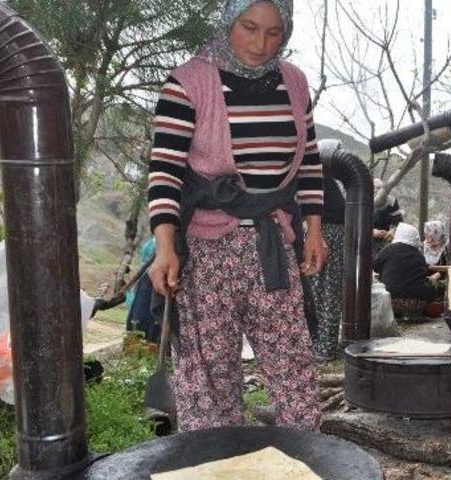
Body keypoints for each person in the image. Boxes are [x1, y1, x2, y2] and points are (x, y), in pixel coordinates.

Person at [146, 0, 325, 432]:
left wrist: (314, 231)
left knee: (294, 371)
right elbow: (165, 172)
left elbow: (310, 165)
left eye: (273, 32)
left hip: (272, 248)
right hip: (208, 252)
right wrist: (165, 247)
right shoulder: (187, 83)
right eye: (249, 27)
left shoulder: (295, 84)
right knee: (209, 382)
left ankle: (306, 463)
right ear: (228, 21)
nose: (261, 43)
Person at [302, 162, 346, 360]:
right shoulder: (321, 175)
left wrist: (316, 235)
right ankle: (320, 343)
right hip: (331, 230)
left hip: (326, 231)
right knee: (322, 290)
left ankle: (325, 347)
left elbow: (308, 207)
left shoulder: (311, 173)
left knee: (325, 291)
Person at [373, 223, 442, 302]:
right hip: (417, 298)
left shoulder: (388, 250)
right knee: (432, 289)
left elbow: (374, 266)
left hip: (390, 296)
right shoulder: (419, 254)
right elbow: (424, 271)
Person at [372, 177, 404, 245]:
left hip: (386, 236)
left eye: (379, 187)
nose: (376, 190)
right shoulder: (363, 202)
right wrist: (371, 232)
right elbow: (356, 223)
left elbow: (398, 220)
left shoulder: (392, 201)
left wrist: (393, 230)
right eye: (375, 188)